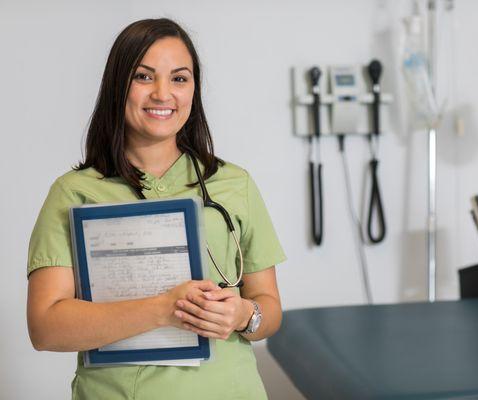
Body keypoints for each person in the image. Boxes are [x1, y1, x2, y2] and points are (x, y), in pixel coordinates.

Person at [26, 18, 286, 400]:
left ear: (194, 90)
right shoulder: (75, 193)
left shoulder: (234, 184)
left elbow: (270, 308)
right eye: (144, 77)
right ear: (118, 85)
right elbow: (45, 327)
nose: (163, 94)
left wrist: (245, 315)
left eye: (179, 79)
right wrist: (164, 308)